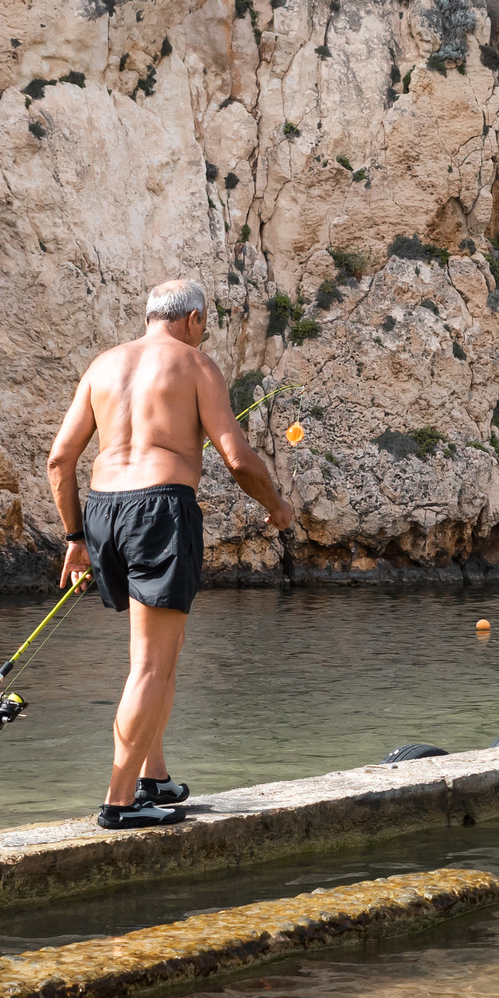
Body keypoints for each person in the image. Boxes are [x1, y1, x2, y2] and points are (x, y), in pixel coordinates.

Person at [47, 277, 296, 830]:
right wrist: (276, 506)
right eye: (204, 327)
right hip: (160, 511)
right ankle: (118, 803)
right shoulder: (195, 365)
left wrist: (75, 539)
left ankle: (152, 776)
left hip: (104, 511)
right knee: (152, 666)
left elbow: (60, 460)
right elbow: (237, 459)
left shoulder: (103, 365)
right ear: (194, 320)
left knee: (166, 647)